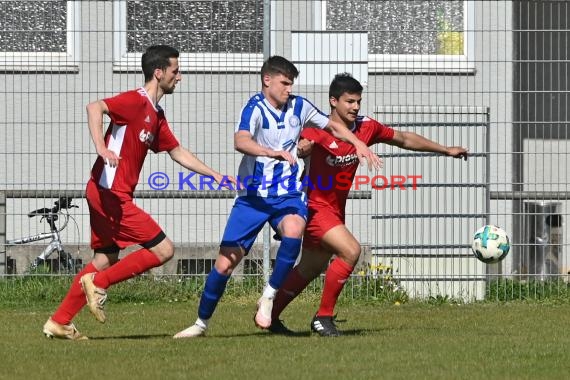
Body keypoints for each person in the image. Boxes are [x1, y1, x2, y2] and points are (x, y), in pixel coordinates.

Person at [173, 57, 382, 338]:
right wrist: (272, 152)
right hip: (253, 198)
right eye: (284, 82)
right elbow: (241, 141)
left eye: (291, 83)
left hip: (287, 195)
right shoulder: (254, 108)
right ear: (267, 80)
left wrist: (358, 143)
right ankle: (201, 323)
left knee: (295, 228)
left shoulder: (300, 105)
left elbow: (332, 126)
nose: (289, 88)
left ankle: (268, 296)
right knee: (225, 264)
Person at [43, 45, 234, 340]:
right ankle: (99, 284)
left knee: (105, 258)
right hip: (110, 193)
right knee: (164, 250)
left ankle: (59, 320)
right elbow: (95, 107)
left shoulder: (156, 114)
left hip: (106, 192)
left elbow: (176, 151)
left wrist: (215, 175)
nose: (179, 77)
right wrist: (101, 147)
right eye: (175, 71)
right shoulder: (136, 101)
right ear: (159, 73)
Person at [269, 73, 469, 336]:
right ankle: (323, 318)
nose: (355, 107)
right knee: (351, 251)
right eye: (349, 101)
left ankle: (268, 316)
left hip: (335, 211)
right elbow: (294, 150)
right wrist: (300, 150)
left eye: (358, 102)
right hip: (315, 208)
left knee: (311, 266)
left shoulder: (366, 128)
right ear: (333, 102)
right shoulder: (316, 129)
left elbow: (404, 139)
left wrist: (445, 149)